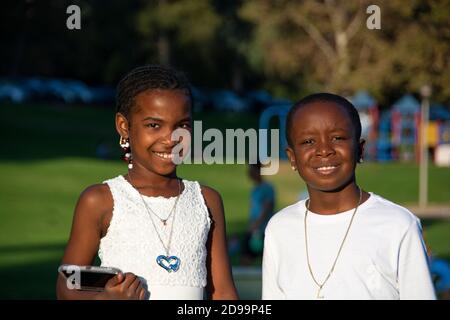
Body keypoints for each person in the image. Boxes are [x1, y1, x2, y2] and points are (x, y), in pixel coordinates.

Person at [56, 65, 239, 300]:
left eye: (182, 125)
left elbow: (223, 292)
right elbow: (66, 287)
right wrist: (105, 298)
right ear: (124, 126)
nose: (171, 139)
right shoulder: (101, 200)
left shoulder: (206, 200)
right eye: (154, 125)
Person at [262, 93, 436, 300]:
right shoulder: (279, 228)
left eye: (337, 138)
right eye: (308, 141)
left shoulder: (398, 225)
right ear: (292, 158)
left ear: (360, 149)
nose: (324, 150)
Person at [242, 162, 275, 262]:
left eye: (251, 170)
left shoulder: (267, 188)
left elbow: (267, 208)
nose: (249, 173)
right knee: (246, 257)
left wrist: (256, 224)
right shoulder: (255, 189)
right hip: (254, 227)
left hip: (262, 229)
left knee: (265, 260)